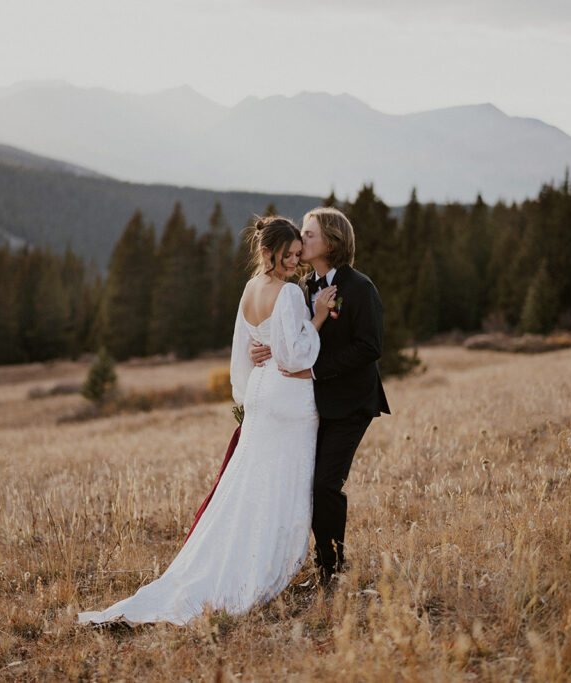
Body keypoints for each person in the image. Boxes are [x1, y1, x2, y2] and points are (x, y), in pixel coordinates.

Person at [78, 216, 335, 627]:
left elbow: (245, 348)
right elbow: (295, 356)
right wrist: (318, 316)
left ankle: (229, 557)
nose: (294, 262)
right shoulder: (287, 293)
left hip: (260, 393)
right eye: (287, 256)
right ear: (267, 252)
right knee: (280, 483)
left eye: (296, 255)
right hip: (288, 398)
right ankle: (259, 563)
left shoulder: (250, 289)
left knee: (250, 483)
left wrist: (263, 363)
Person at [249, 206, 389, 587]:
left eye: (309, 234)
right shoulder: (303, 287)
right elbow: (297, 339)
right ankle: (323, 563)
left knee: (325, 484)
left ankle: (334, 569)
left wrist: (314, 371)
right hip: (312, 405)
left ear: (332, 241)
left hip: (351, 403)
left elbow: (370, 346)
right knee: (306, 484)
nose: (301, 238)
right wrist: (264, 349)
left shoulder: (360, 288)